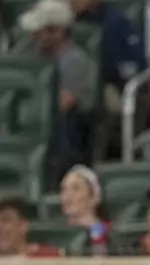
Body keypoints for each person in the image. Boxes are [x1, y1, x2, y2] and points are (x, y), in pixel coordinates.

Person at [16, 0, 97, 187]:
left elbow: (62, 103)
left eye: (39, 32)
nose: (33, 36)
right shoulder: (30, 56)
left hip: (67, 132)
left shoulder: (75, 61)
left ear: (57, 31)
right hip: (31, 125)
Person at [60, 164, 110, 255]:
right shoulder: (57, 232)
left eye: (76, 188)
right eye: (64, 189)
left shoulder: (108, 232)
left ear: (94, 197)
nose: (67, 197)